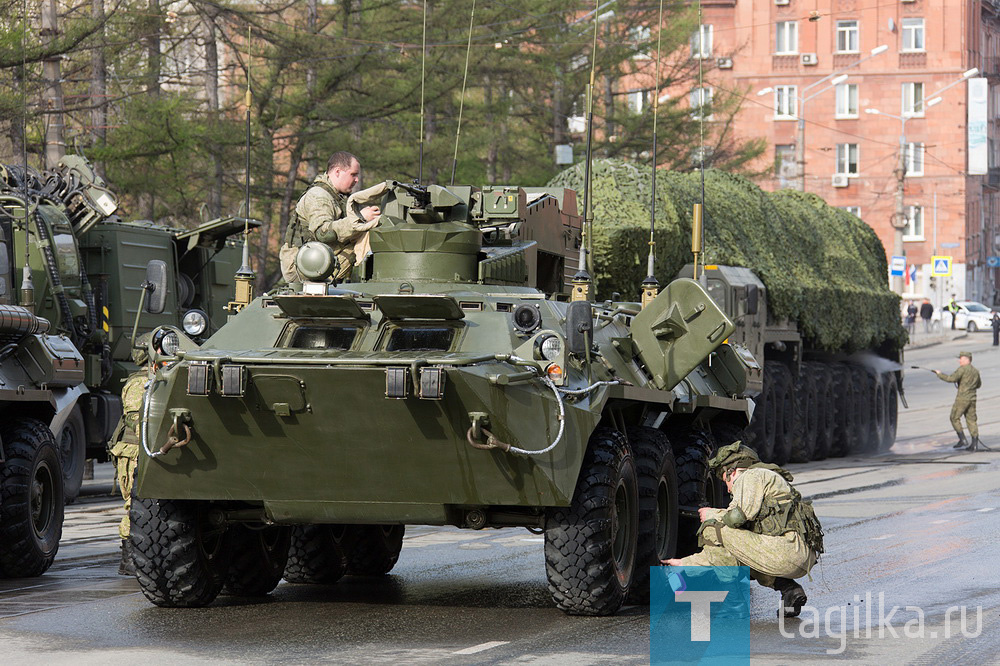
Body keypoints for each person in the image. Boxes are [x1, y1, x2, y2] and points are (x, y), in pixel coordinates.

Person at [661, 443, 824, 618]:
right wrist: (684, 563)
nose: (728, 488)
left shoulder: (750, 476)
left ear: (732, 471)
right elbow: (737, 539)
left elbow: (736, 518)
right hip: (795, 555)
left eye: (726, 481)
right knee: (739, 549)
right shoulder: (767, 478)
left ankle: (733, 605)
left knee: (712, 529)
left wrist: (711, 515)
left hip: (785, 553)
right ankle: (789, 589)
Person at [279, 152, 381, 283]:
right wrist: (361, 218)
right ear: (338, 172)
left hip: (315, 260)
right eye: (353, 174)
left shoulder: (336, 196)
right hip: (303, 266)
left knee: (365, 232)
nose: (356, 180)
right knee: (363, 237)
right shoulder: (319, 196)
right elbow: (323, 233)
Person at [108, 332, 158, 575]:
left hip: (140, 451)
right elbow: (137, 420)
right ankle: (128, 559)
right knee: (134, 503)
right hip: (135, 452)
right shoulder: (139, 383)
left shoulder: (152, 378)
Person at [933, 351, 982, 451]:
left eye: (961, 358)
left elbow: (951, 379)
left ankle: (962, 439)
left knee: (954, 417)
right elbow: (979, 385)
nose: (959, 361)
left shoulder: (962, 369)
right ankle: (974, 444)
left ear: (967, 359)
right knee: (971, 420)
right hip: (972, 398)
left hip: (962, 399)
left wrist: (939, 374)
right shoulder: (976, 371)